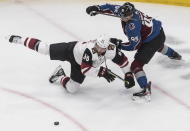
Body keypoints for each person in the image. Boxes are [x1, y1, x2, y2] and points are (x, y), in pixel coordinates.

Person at [86, 2, 182, 101]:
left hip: (153, 39)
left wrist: (119, 44)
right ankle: (175, 55)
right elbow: (110, 7)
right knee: (156, 46)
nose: (122, 17)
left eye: (126, 16)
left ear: (131, 14)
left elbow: (134, 46)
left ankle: (145, 89)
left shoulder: (132, 26)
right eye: (121, 15)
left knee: (136, 65)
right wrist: (97, 8)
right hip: (158, 33)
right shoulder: (125, 11)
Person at [7, 35, 135, 93]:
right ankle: (20, 39)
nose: (97, 48)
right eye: (97, 45)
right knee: (44, 49)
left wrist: (128, 74)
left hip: (80, 64)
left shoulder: (112, 50)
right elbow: (85, 70)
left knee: (72, 89)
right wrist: (101, 72)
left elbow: (123, 62)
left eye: (101, 48)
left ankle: (60, 75)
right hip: (71, 50)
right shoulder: (89, 50)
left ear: (107, 48)